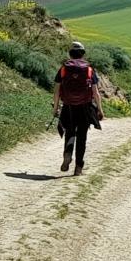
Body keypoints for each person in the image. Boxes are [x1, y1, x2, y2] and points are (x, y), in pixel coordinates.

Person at [52, 41, 104, 176]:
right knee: (82, 136)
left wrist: (55, 108)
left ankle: (68, 153)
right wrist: (100, 109)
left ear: (70, 53)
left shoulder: (64, 69)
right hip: (85, 106)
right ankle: (78, 167)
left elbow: (57, 91)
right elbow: (96, 92)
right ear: (83, 54)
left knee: (70, 132)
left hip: (68, 105)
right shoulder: (89, 69)